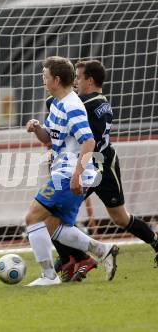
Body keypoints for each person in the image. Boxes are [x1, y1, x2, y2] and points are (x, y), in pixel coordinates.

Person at [48, 60, 158, 281]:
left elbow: (56, 101)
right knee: (56, 213)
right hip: (97, 162)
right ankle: (72, 257)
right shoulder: (93, 102)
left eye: (78, 78)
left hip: (99, 166)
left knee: (116, 217)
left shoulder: (93, 103)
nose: (75, 82)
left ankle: (75, 258)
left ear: (90, 80)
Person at [24, 56, 118, 287]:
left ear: (56, 80)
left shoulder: (72, 105)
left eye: (45, 77)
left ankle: (48, 276)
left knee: (32, 218)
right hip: (64, 172)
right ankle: (102, 249)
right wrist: (37, 129)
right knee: (53, 226)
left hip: (68, 174)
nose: (43, 81)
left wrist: (77, 175)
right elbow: (50, 139)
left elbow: (88, 141)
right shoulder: (57, 103)